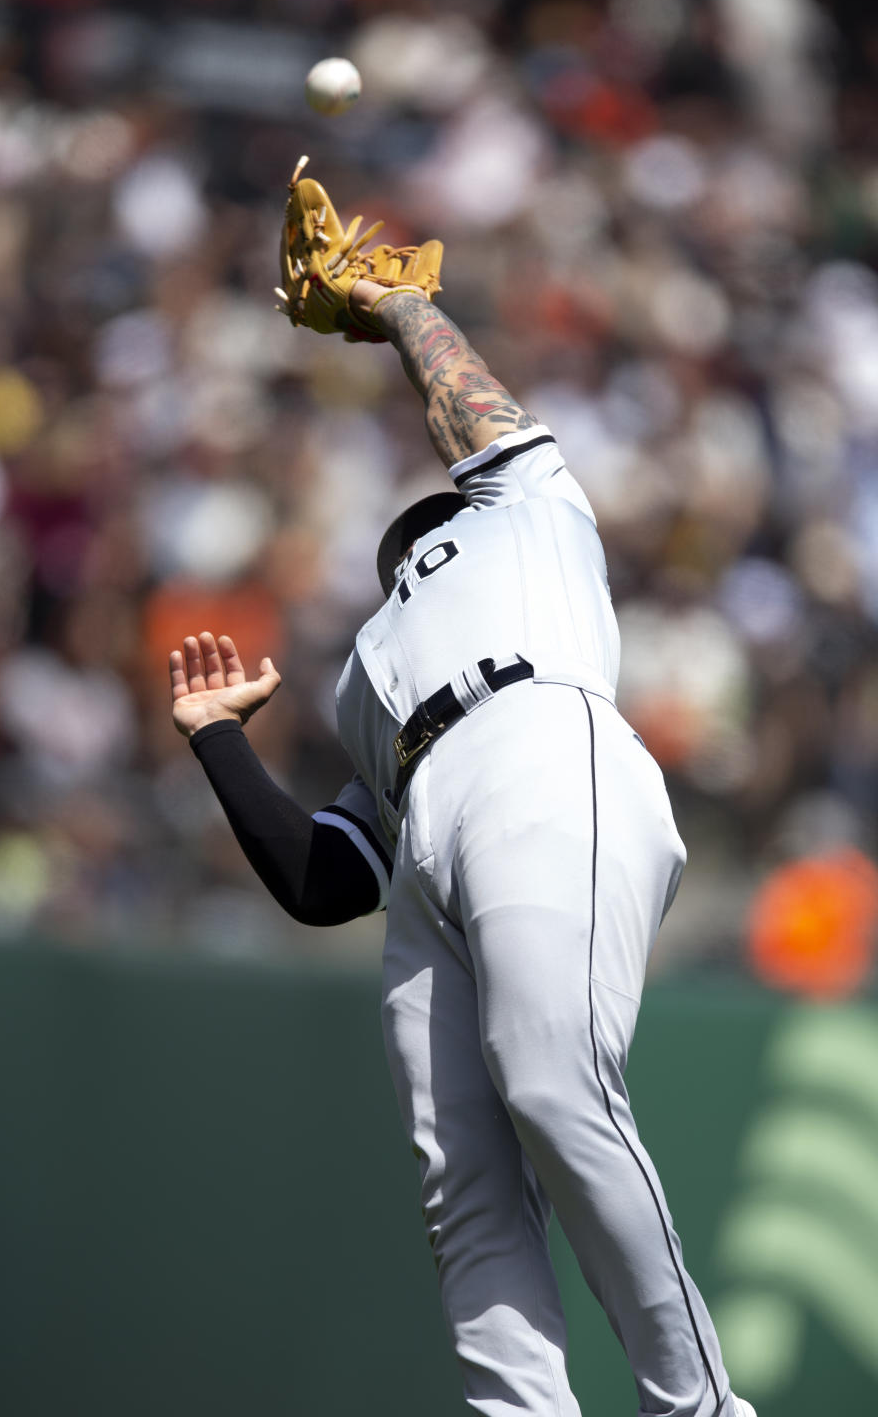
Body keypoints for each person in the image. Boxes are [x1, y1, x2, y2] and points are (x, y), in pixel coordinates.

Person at [169, 275, 756, 1417]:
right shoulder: (360, 676)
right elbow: (325, 876)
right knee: (466, 1185)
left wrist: (397, 312)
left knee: (553, 1081)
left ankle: (698, 1407)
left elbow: (466, 409)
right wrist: (216, 743)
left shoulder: (528, 510)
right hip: (431, 819)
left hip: (544, 743)